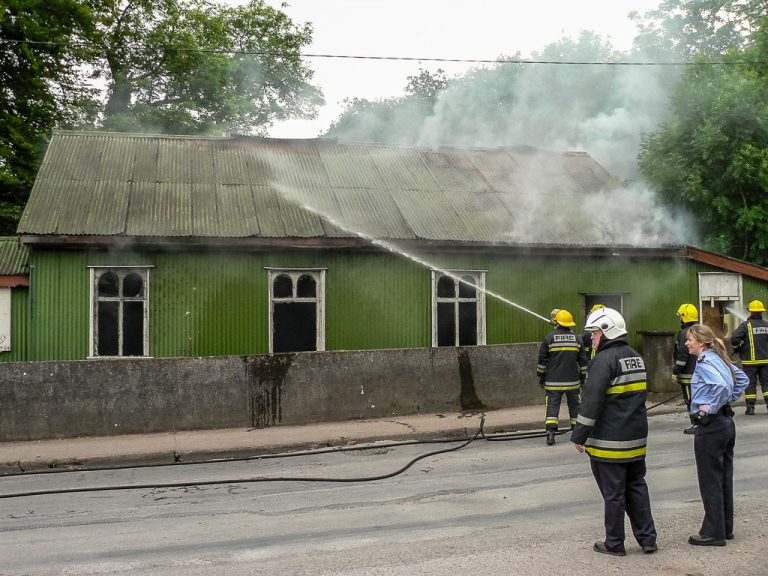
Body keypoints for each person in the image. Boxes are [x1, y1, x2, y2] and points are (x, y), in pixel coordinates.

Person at [571, 307, 658, 556]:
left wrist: (579, 435)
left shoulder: (603, 360)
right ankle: (647, 539)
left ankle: (615, 544)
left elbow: (591, 402)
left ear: (608, 331)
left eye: (595, 333)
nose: (592, 338)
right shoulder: (635, 356)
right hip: (636, 438)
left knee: (613, 495)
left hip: (610, 442)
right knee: (637, 487)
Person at [685, 323, 748, 546]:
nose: (686, 343)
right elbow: (743, 380)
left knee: (710, 479)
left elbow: (721, 385)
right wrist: (726, 402)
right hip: (726, 423)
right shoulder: (719, 358)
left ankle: (713, 533)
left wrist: (708, 408)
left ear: (701, 342)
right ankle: (725, 528)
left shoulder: (704, 362)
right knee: (723, 478)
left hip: (711, 426)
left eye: (690, 339)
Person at [537, 309, 587, 446]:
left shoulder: (549, 338)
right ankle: (577, 434)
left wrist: (541, 377)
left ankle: (551, 435)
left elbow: (542, 361)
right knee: (575, 406)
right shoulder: (577, 339)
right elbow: (583, 363)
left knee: (552, 407)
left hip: (552, 382)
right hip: (573, 382)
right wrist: (583, 379)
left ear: (556, 323)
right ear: (570, 324)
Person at [730, 299, 768, 415]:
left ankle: (750, 408)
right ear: (761, 312)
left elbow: (734, 338)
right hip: (766, 361)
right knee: (766, 383)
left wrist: (737, 346)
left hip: (749, 362)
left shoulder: (745, 325)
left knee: (750, 383)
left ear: (750, 312)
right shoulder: (767, 325)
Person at [674, 304, 700, 433]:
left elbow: (683, 353)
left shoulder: (685, 333)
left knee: (690, 400)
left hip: (688, 375)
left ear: (684, 317)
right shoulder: (701, 330)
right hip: (701, 373)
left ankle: (696, 424)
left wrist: (677, 369)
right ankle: (703, 423)